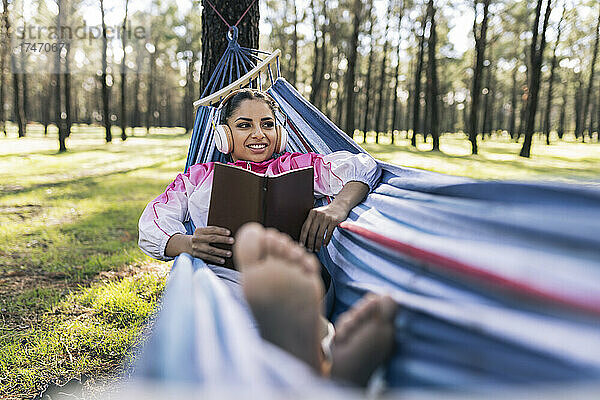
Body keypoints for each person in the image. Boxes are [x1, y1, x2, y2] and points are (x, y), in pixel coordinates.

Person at [138, 88, 380, 270]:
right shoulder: (199, 176)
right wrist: (188, 244)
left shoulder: (299, 165)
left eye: (267, 124)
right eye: (244, 125)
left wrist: (338, 206)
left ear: (279, 133)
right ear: (224, 135)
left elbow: (363, 167)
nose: (259, 134)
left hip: (289, 278)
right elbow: (152, 222)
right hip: (222, 279)